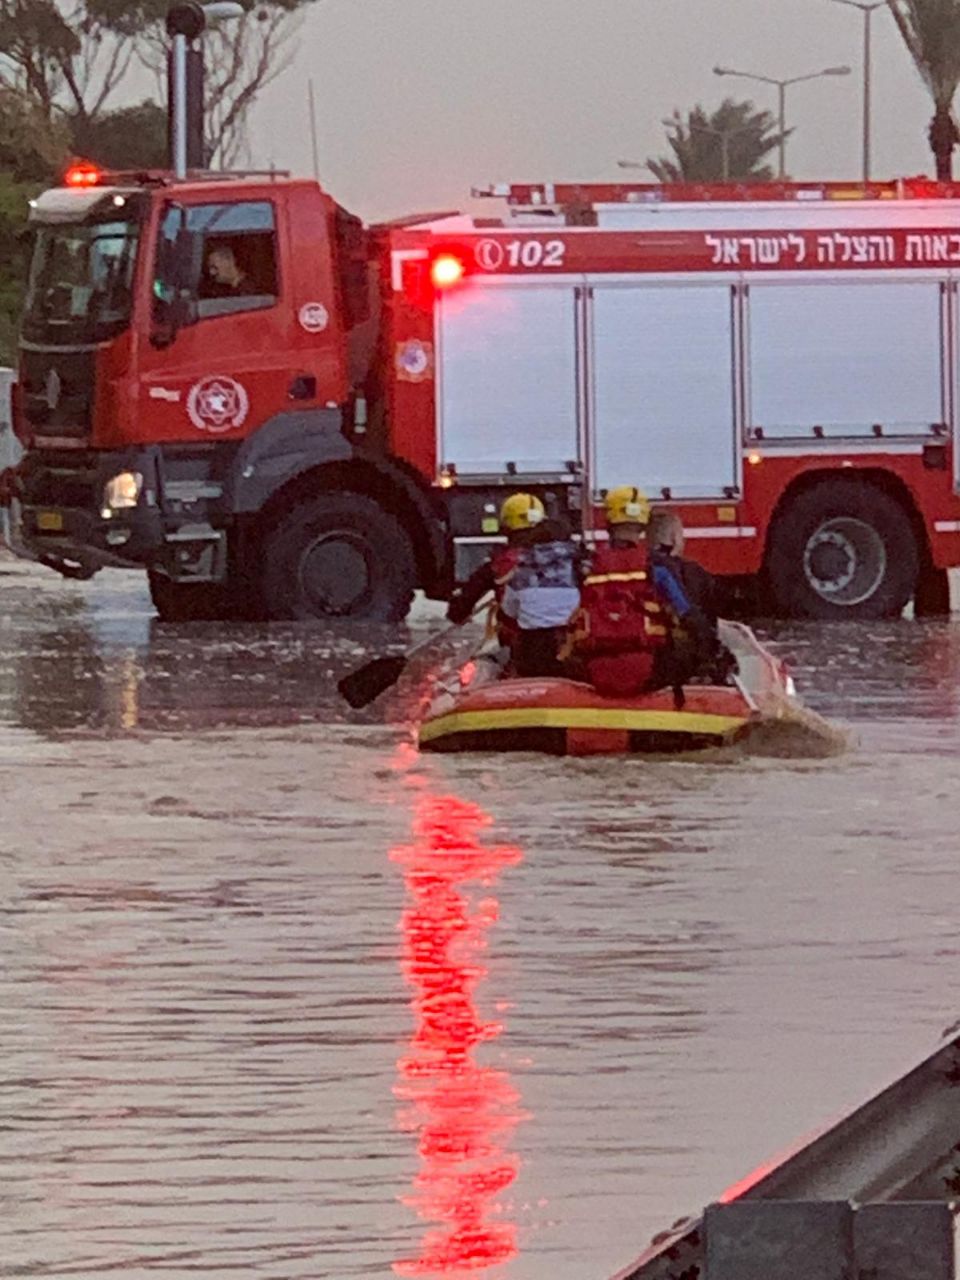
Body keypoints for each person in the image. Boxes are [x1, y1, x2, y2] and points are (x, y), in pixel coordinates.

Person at [571, 486, 716, 698]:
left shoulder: (588, 564)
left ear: (608, 522)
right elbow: (688, 614)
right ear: (643, 525)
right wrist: (708, 658)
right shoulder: (655, 566)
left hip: (594, 671)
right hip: (649, 671)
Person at [446, 493, 580, 678]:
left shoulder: (502, 563)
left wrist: (457, 613)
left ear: (506, 526)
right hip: (571, 642)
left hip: (523, 644)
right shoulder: (572, 558)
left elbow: (464, 603)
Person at [647, 508, 737, 685]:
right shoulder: (693, 573)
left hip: (651, 654)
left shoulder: (642, 569)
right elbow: (708, 617)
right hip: (681, 658)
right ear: (675, 539)